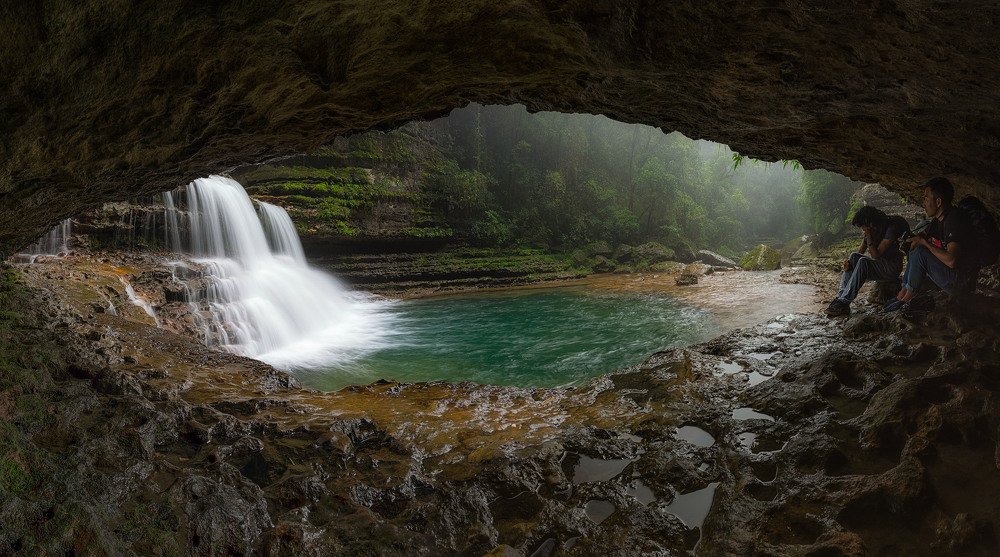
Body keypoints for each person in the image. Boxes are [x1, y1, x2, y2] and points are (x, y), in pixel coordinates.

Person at [884, 176, 973, 311]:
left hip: (961, 281)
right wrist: (907, 240)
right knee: (917, 247)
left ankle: (908, 298)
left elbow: (951, 260)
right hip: (950, 275)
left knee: (920, 250)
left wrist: (924, 242)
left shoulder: (954, 219)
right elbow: (920, 238)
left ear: (938, 202)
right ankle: (902, 294)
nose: (923, 203)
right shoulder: (938, 221)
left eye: (926, 198)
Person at [826, 206, 907, 316]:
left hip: (892, 268)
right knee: (853, 257)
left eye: (864, 226)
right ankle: (841, 299)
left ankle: (844, 302)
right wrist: (848, 263)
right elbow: (858, 254)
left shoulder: (891, 227)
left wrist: (868, 235)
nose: (863, 229)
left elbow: (875, 255)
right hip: (880, 267)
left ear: (870, 221)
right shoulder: (872, 229)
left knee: (863, 261)